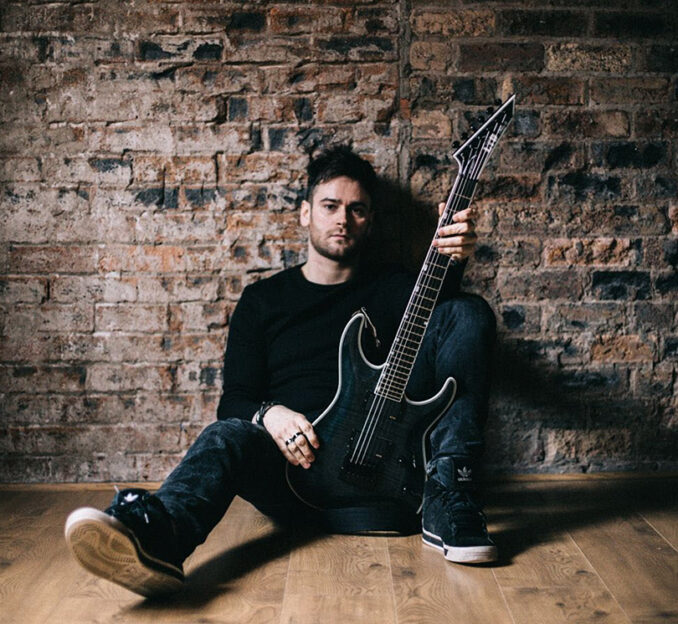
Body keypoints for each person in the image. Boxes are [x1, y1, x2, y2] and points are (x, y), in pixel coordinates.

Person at [64, 145, 498, 598]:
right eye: (330, 206)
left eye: (357, 210)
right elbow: (234, 401)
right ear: (305, 213)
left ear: (371, 220)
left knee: (467, 311)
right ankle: (158, 541)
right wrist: (271, 415)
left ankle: (451, 494)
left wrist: (453, 252)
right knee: (224, 435)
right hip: (294, 471)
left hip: (387, 468)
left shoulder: (395, 288)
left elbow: (447, 320)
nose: (342, 220)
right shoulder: (262, 300)